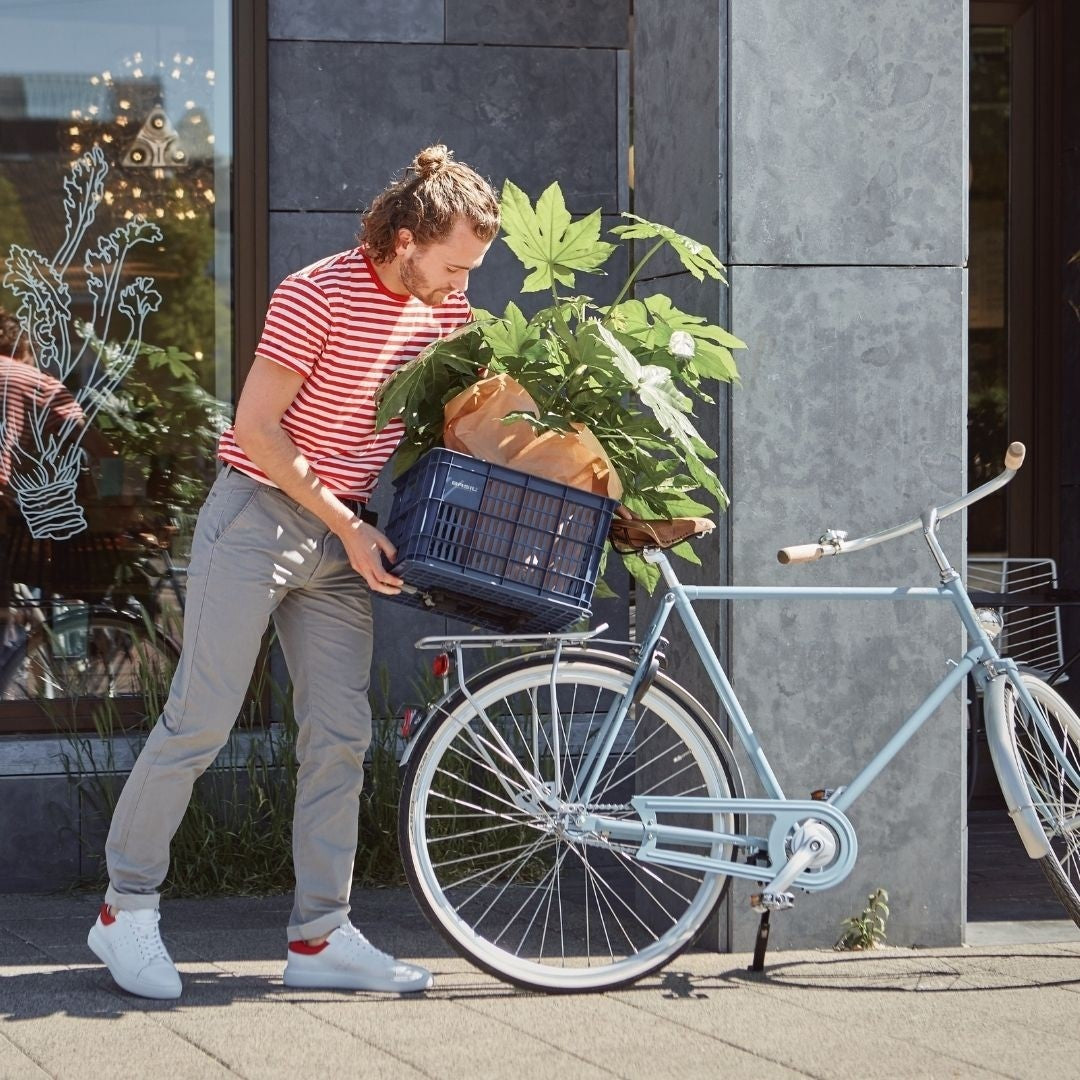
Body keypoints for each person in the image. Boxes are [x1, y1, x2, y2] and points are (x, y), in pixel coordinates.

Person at [86, 145, 500, 1000]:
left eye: (471, 269)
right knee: (199, 719)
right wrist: (349, 528)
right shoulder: (315, 293)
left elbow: (471, 418)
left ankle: (319, 939)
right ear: (410, 237)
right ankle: (123, 913)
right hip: (260, 511)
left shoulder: (446, 311)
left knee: (341, 738)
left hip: (342, 531)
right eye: (453, 262)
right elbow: (261, 429)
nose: (461, 282)